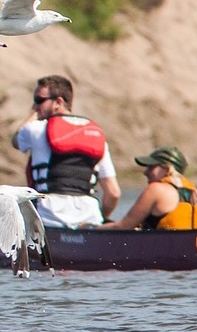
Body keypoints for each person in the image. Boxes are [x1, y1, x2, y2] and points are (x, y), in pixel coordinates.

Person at [13, 75, 119, 227]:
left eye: (39, 100)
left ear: (58, 102)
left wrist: (35, 114)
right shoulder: (97, 136)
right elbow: (113, 193)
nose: (36, 105)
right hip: (89, 218)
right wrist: (102, 218)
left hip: (49, 219)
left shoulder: (35, 129)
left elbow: (16, 140)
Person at [101, 147, 197, 231]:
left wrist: (90, 228)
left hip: (163, 252)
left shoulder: (156, 189)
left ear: (167, 168)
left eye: (151, 167)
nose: (145, 172)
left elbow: (124, 227)